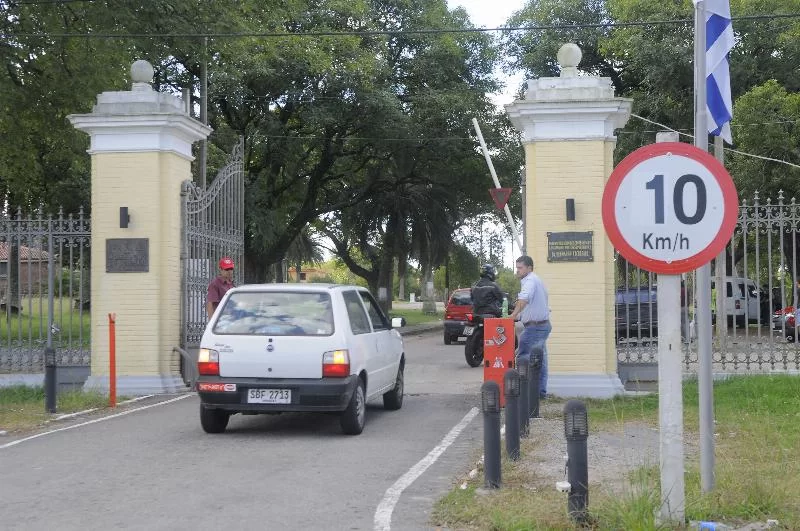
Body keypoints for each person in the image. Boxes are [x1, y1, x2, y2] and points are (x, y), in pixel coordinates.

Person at [509, 255, 551, 399]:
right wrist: (520, 316)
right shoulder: (536, 280)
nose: (518, 271)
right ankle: (540, 393)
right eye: (517, 267)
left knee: (524, 357)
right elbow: (531, 306)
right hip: (542, 325)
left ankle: (526, 393)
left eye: (520, 268)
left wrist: (513, 315)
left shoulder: (530, 281)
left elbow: (524, 299)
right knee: (541, 360)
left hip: (535, 328)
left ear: (529, 268)